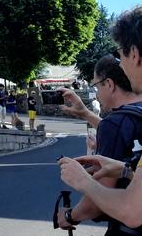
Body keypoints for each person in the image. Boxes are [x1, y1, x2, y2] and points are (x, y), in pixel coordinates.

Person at [56, 54, 142, 234]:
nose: (96, 93)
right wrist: (86, 113)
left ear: (109, 84)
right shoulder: (133, 113)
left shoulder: (114, 124)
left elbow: (97, 202)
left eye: (96, 86)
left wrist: (69, 216)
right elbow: (123, 131)